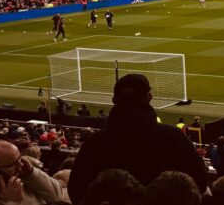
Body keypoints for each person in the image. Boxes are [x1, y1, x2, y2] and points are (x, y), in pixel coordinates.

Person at [68, 74, 207, 204]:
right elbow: (199, 182)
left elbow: (76, 191)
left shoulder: (95, 142)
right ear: (149, 97)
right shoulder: (173, 137)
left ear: (114, 101)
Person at [0, 140, 64, 205]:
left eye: (20, 158)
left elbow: (58, 196)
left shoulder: (24, 173)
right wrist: (13, 202)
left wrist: (32, 173)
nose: (21, 165)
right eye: (11, 165)